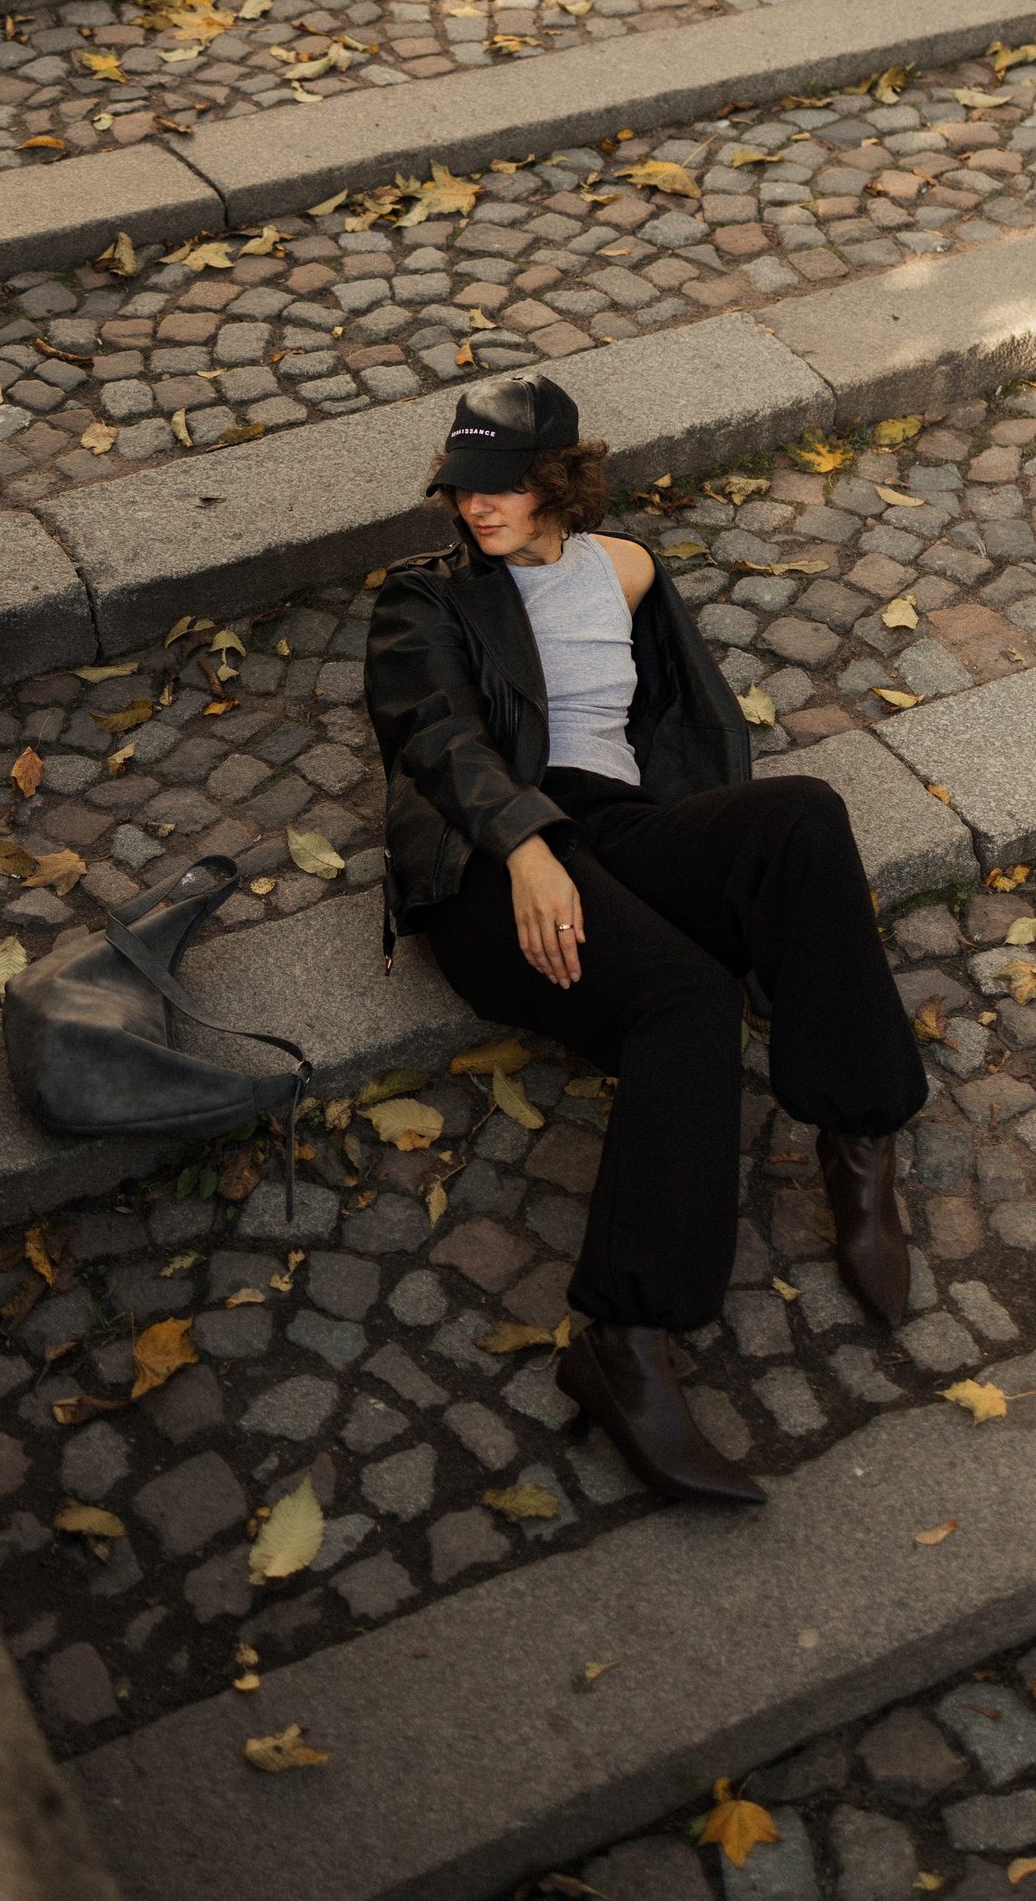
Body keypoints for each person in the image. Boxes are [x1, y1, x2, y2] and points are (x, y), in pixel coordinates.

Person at [365, 372, 927, 1508]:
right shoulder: (423, 599)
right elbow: (438, 737)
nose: (478, 507)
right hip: (494, 862)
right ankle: (620, 1344)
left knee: (802, 815)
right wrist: (529, 850)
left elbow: (683, 724)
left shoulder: (626, 569)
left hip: (619, 830)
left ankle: (858, 1140)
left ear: (560, 481)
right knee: (688, 999)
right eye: (464, 487)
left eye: (505, 487)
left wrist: (728, 879)